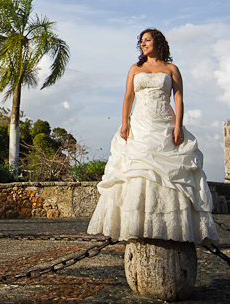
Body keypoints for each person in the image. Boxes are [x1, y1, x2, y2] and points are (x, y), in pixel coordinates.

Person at [88, 28, 218, 244]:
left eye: (147, 40)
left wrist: (178, 126)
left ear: (158, 43)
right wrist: (125, 122)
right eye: (141, 42)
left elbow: (178, 99)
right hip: (139, 124)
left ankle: (169, 227)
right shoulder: (135, 68)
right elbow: (128, 96)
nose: (143, 44)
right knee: (136, 172)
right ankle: (136, 225)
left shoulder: (171, 69)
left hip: (164, 124)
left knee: (170, 176)